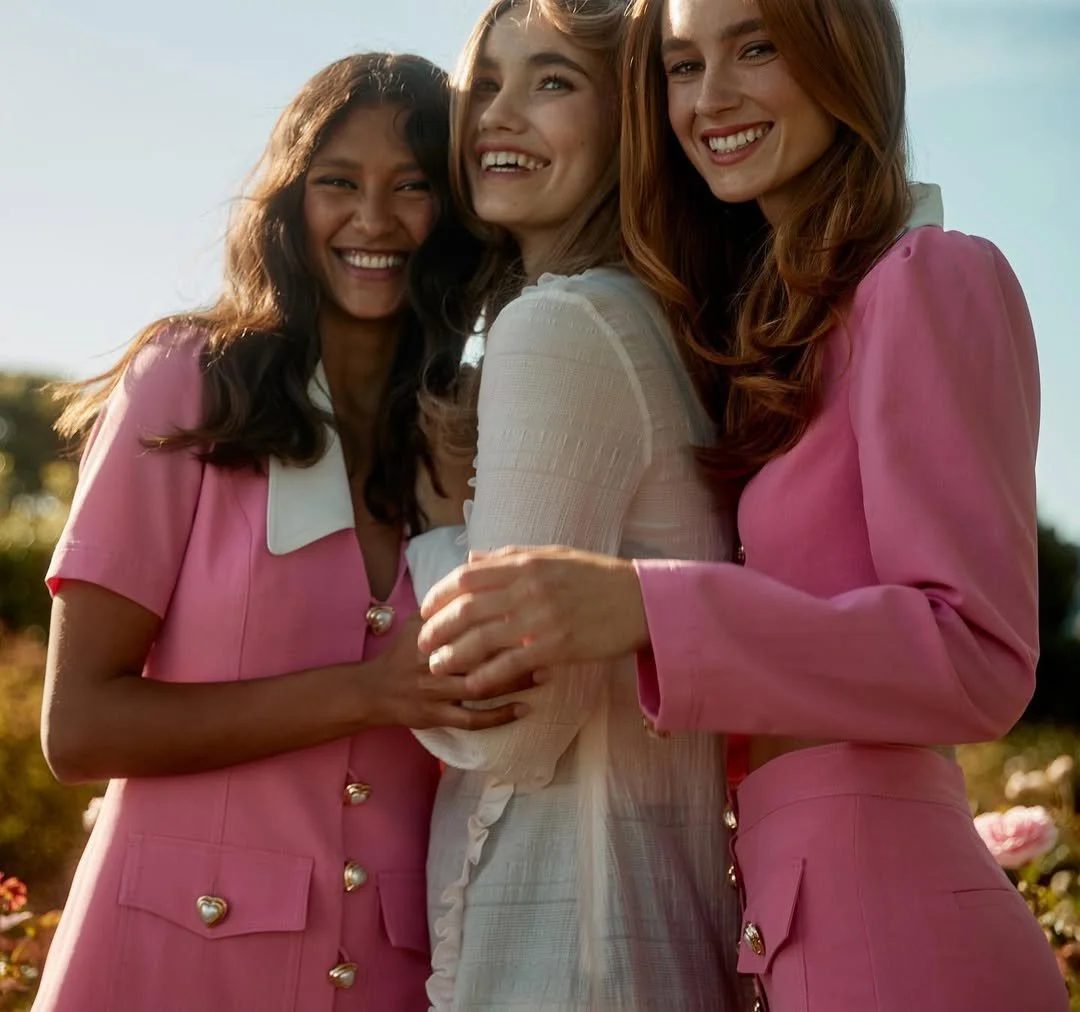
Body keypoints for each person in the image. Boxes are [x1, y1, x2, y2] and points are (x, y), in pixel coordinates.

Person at [415, 0, 1070, 1009]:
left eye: (754, 47)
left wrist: (643, 606)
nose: (710, 98)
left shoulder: (931, 275)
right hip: (784, 925)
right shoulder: (788, 333)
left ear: (842, 54)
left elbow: (978, 653)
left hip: (899, 933)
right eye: (681, 64)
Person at [33, 53, 519, 1012]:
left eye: (412, 186)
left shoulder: (483, 427)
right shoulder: (188, 383)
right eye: (338, 182)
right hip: (166, 964)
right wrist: (369, 694)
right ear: (290, 201)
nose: (373, 220)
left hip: (395, 976)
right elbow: (79, 729)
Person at [404, 0, 744, 1007]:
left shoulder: (561, 326)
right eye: (490, 83)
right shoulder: (652, 321)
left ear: (629, 120)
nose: (498, 117)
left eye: (552, 82)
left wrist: (433, 527)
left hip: (571, 951)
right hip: (641, 933)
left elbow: (508, 719)